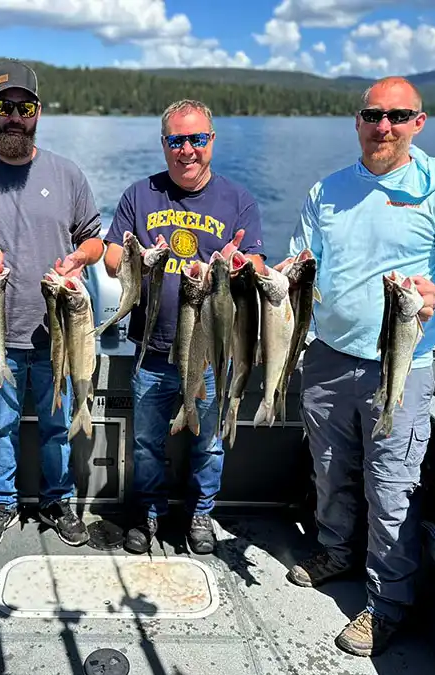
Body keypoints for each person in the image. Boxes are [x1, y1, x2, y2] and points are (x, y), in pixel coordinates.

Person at [280, 76, 435, 656]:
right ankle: (336, 550)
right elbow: (305, 258)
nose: (384, 126)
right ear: (357, 121)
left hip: (403, 363)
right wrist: (277, 270)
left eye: (398, 116)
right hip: (325, 356)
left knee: (391, 488)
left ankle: (385, 605)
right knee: (328, 469)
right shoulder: (329, 190)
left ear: (419, 123)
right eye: (373, 115)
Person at [0, 59, 104, 554]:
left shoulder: (68, 174)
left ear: (38, 113)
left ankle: (58, 501)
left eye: (25, 107)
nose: (15, 116)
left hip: (58, 334)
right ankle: (1, 504)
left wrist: (79, 259)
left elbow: (95, 240)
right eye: (4, 106)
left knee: (56, 428)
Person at [103, 99, 266, 556]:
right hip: (152, 350)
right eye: (177, 140)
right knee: (146, 442)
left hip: (212, 351)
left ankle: (201, 514)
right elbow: (113, 256)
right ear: (164, 144)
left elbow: (255, 260)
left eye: (197, 139)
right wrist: (136, 256)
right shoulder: (140, 195)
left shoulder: (238, 200)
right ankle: (148, 512)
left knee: (208, 443)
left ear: (211, 141)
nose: (187, 150)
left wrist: (239, 263)